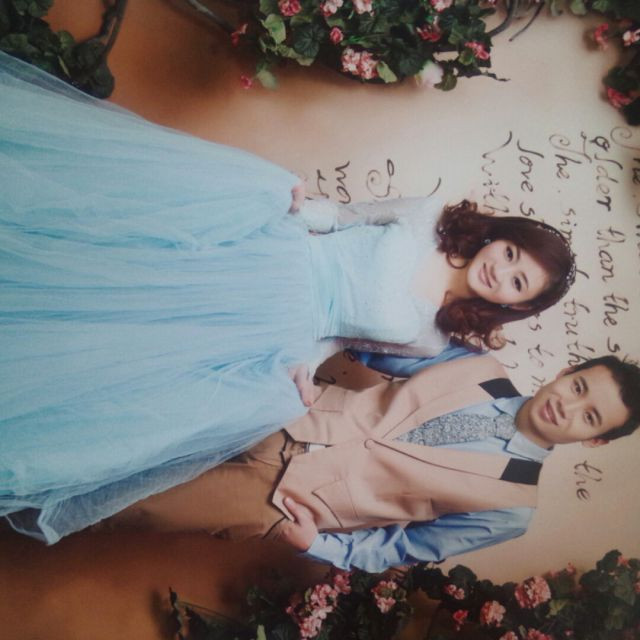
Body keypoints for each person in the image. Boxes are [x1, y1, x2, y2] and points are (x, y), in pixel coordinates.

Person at [0, 51, 572, 543]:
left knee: (127, 348)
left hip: (276, 331)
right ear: (501, 235)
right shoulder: (427, 215)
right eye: (511, 253)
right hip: (272, 256)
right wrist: (291, 203)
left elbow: (337, 340)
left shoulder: (431, 339)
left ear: (515, 307)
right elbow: (341, 217)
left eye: (518, 282)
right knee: (114, 270)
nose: (502, 271)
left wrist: (303, 369)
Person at [108, 354, 640, 572]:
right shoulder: (480, 364)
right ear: (567, 371)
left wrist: (315, 544)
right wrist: (301, 358)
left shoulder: (513, 508)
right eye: (578, 387)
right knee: (133, 425)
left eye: (589, 417)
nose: (567, 407)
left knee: (132, 506)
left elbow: (404, 548)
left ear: (594, 441)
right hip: (285, 411)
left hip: (281, 500)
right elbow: (376, 343)